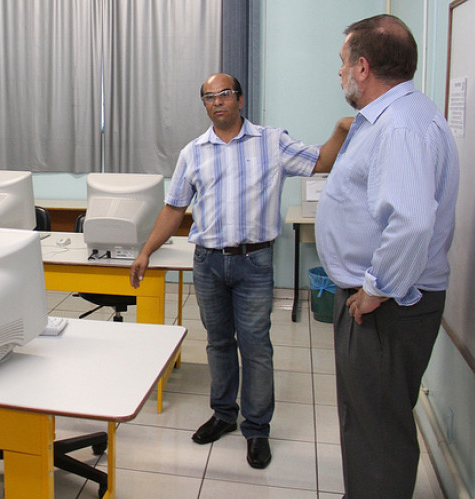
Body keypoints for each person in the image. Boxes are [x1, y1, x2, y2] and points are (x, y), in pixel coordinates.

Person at [130, 72, 350, 469]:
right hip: (209, 262)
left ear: (240, 100)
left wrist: (338, 128)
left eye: (225, 94)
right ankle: (223, 414)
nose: (218, 102)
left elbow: (321, 161)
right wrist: (147, 250)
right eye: (209, 97)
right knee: (217, 343)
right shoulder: (193, 152)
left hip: (253, 261)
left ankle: (257, 428)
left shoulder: (271, 141)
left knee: (255, 346)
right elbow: (174, 207)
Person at [315, 14, 459, 498]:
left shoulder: (399, 127)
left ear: (362, 66)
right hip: (379, 298)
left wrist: (375, 289)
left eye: (341, 63)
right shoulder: (397, 117)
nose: (338, 74)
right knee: (367, 421)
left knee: (377, 430)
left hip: (386, 305)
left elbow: (412, 222)